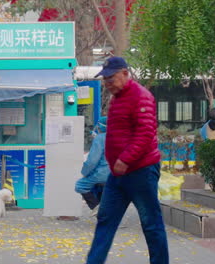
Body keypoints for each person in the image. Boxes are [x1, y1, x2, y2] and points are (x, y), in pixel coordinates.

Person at [86, 57, 169, 264]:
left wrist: (125, 159)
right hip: (117, 175)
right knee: (105, 220)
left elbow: (145, 133)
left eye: (111, 78)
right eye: (105, 79)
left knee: (151, 223)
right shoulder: (116, 99)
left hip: (141, 171)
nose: (107, 83)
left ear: (124, 73)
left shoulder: (141, 97)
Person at [75, 116, 110, 216]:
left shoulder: (100, 139)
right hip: (117, 174)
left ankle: (96, 206)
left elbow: (92, 161)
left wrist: (84, 173)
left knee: (80, 185)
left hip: (102, 174)